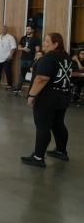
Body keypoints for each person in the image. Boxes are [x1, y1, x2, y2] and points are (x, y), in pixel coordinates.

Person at [21, 33, 72, 167]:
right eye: (44, 41)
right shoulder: (66, 57)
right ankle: (61, 151)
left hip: (47, 99)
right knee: (58, 124)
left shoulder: (48, 58)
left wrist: (32, 95)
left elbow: (41, 79)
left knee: (43, 126)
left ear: (56, 44)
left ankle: (38, 157)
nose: (44, 43)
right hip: (63, 96)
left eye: (47, 41)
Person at [13, 25, 41, 93]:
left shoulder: (36, 39)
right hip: (23, 58)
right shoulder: (23, 38)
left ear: (32, 30)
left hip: (31, 59)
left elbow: (38, 50)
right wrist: (24, 49)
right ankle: (18, 88)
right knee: (22, 74)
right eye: (26, 29)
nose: (27, 31)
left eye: (29, 29)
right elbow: (19, 47)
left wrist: (35, 59)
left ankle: (32, 90)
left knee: (32, 75)